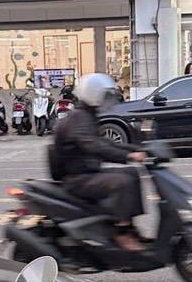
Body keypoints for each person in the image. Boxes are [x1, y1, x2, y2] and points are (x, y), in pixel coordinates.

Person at [50, 71, 147, 251]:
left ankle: (129, 226)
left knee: (132, 173)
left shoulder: (87, 115)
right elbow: (94, 146)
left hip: (88, 173)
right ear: (94, 94)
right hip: (77, 179)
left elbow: (105, 143)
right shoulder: (78, 118)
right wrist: (127, 156)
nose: (106, 100)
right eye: (104, 95)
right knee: (123, 182)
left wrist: (134, 149)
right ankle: (121, 233)